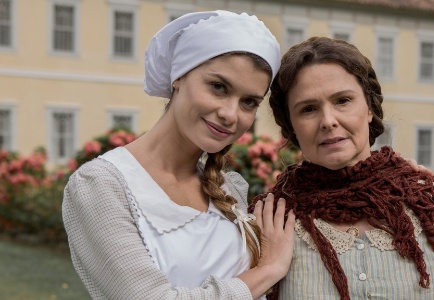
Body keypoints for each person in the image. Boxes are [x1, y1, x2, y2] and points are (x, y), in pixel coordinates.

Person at [62, 11, 296, 299]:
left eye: (248, 102)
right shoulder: (101, 186)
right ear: (179, 76)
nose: (229, 114)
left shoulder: (228, 188)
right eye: (218, 87)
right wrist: (269, 270)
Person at [252, 36, 434, 299]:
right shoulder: (268, 222)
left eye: (342, 101)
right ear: (290, 125)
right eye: (308, 109)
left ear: (370, 107)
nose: (328, 121)